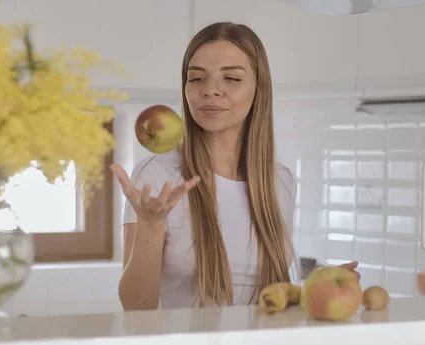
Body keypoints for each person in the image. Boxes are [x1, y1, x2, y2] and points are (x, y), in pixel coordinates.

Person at [111, 21, 360, 311]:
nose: (211, 90)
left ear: (259, 88)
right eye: (197, 78)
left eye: (231, 78)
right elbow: (136, 307)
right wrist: (151, 226)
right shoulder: (159, 174)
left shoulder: (280, 181)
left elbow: (264, 298)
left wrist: (319, 287)